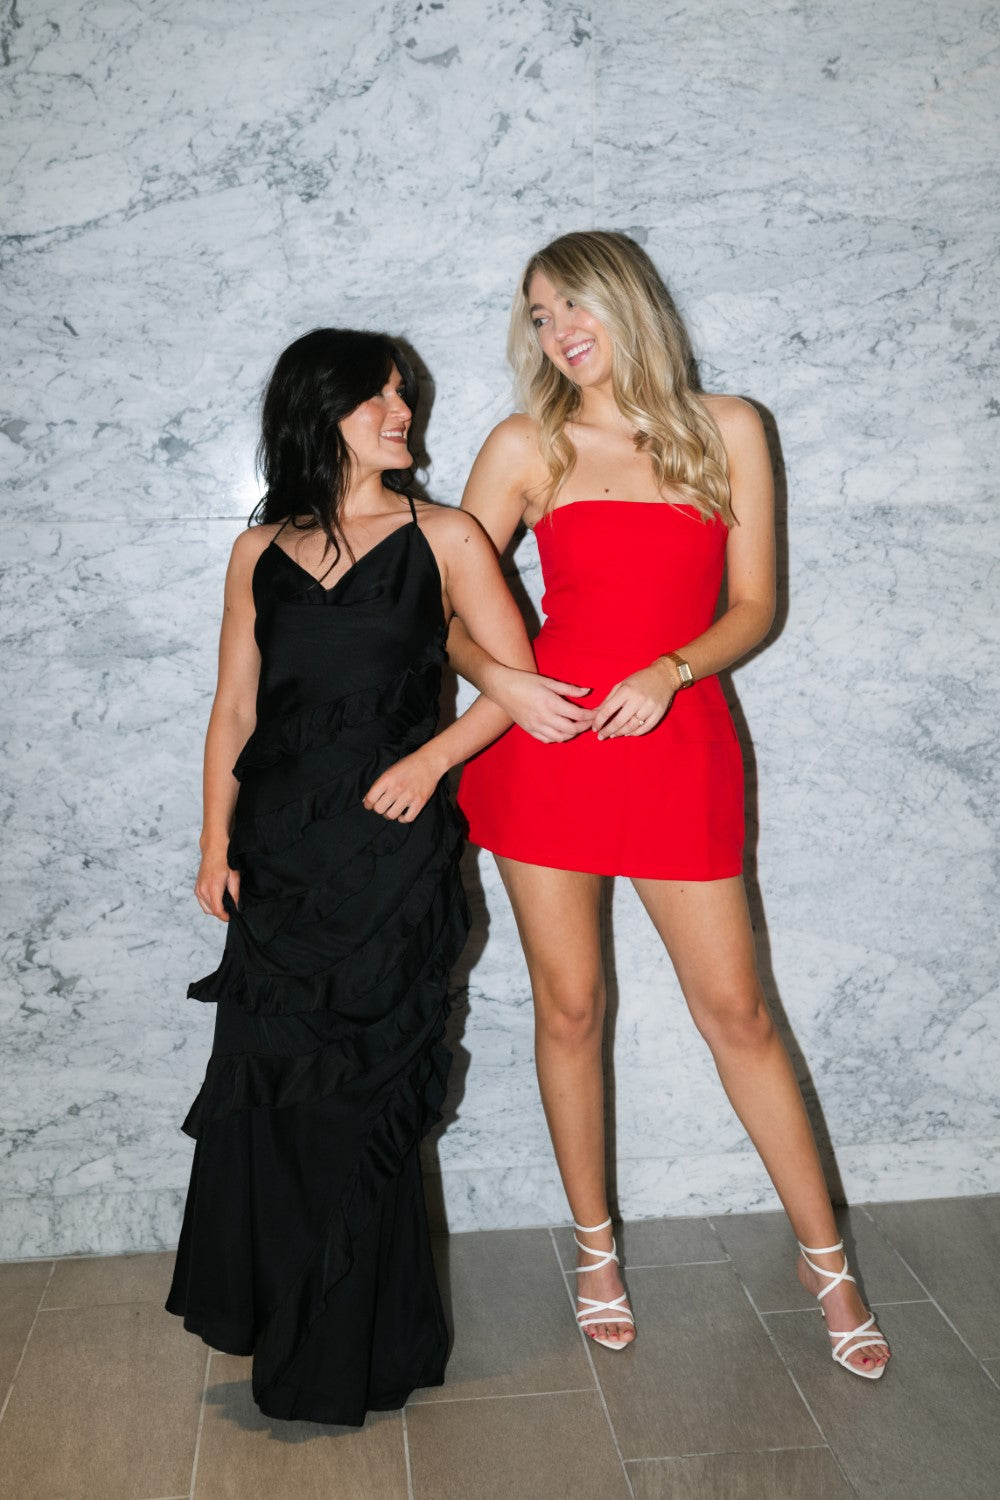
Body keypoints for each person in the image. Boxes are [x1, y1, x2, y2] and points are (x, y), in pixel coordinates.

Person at [452, 232, 891, 1378]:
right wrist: (504, 681)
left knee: (738, 1015)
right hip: (547, 753)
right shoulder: (525, 443)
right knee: (569, 1010)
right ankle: (595, 1252)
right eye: (538, 315)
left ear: (626, 301)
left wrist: (673, 667)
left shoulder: (725, 427)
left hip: (677, 744)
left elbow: (754, 605)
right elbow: (442, 606)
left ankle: (827, 1264)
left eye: (571, 305)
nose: (556, 331)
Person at [166, 328, 543, 1425]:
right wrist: (213, 844)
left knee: (367, 1096)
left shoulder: (448, 536)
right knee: (281, 1100)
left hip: (391, 857)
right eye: (377, 397)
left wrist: (428, 763)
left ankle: (370, 1349)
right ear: (316, 411)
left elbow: (517, 685)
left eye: (403, 394)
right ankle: (292, 1329)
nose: (401, 412)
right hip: (280, 863)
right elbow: (234, 708)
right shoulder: (257, 550)